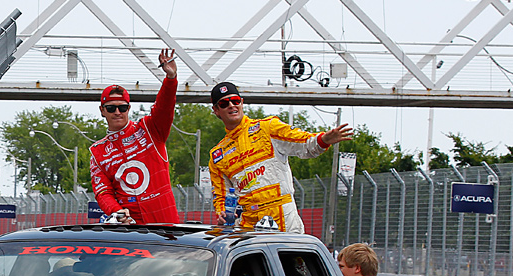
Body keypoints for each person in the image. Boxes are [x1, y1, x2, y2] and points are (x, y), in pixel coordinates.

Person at [208, 81, 353, 233]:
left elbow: (304, 143)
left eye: (235, 100)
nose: (231, 105)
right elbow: (221, 196)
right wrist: (222, 213)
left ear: (242, 102)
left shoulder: (268, 127)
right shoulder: (218, 155)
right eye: (224, 103)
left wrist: (323, 140)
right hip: (248, 221)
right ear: (216, 110)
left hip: (283, 214)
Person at [89, 49, 180, 225]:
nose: (117, 112)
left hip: (166, 223)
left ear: (129, 109)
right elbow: (103, 192)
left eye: (122, 108)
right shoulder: (97, 152)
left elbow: (164, 107)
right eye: (111, 108)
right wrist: (116, 211)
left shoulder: (149, 129)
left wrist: (170, 79)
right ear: (102, 111)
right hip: (130, 227)